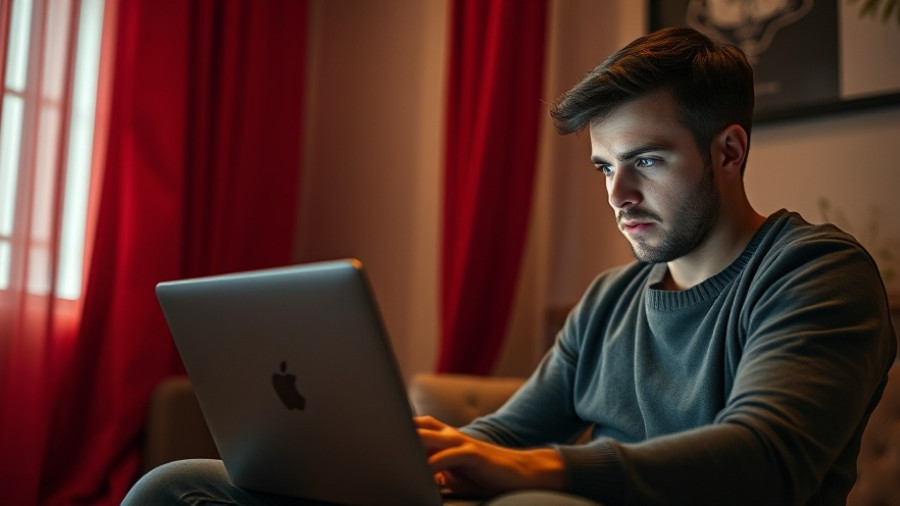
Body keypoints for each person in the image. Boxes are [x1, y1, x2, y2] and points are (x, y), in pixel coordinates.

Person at [124, 27, 896, 505]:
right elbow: (512, 430)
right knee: (177, 485)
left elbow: (765, 459)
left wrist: (537, 473)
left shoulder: (816, 275)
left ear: (729, 151)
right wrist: (411, 451)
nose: (619, 195)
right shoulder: (611, 299)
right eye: (602, 169)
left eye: (646, 161)